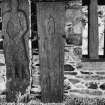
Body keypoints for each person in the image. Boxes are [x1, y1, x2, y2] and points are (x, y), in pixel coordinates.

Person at [2, 0, 30, 102]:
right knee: (11, 59)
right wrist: (9, 38)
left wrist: (18, 37)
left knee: (22, 59)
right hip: (10, 42)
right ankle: (12, 78)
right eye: (12, 3)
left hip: (19, 40)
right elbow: (4, 29)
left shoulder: (21, 14)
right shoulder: (6, 15)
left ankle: (23, 78)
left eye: (16, 3)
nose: (14, 5)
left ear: (17, 4)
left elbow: (25, 28)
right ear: (10, 5)